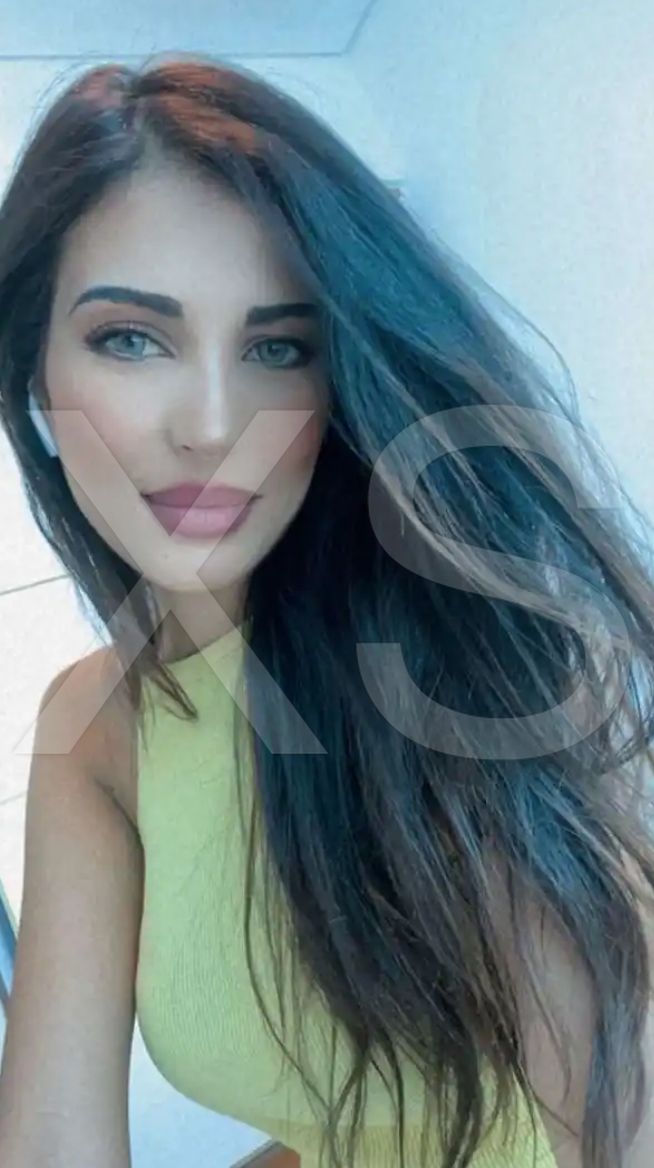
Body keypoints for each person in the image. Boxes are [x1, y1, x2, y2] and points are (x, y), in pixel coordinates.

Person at [0, 54, 653, 1168]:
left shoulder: (469, 664)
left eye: (277, 348)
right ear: (34, 383)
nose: (213, 425)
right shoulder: (92, 732)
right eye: (132, 339)